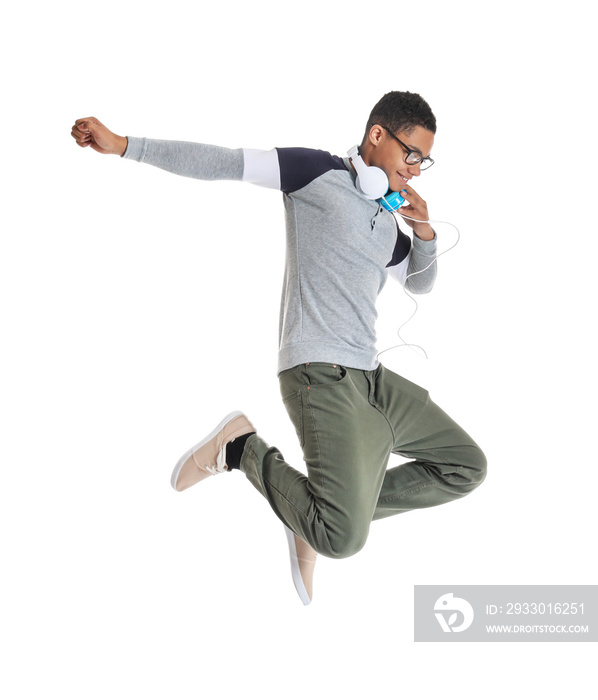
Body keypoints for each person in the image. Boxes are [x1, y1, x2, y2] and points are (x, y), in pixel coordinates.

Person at [71, 91, 487, 606]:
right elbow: (222, 162)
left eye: (424, 159)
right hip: (319, 372)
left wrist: (422, 230)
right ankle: (240, 448)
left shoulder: (387, 217)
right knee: (344, 538)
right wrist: (125, 146)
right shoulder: (313, 173)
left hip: (372, 378)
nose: (418, 169)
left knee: (465, 466)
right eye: (412, 154)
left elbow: (420, 283)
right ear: (378, 135)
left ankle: (307, 512)